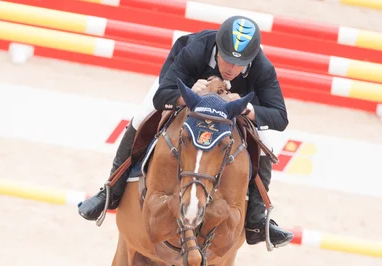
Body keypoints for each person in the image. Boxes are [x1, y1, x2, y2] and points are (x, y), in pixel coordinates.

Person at [78, 15, 293, 248]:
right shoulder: (195, 49)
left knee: (265, 143)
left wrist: (246, 107)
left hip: (233, 107)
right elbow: (163, 95)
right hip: (183, 88)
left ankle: (256, 220)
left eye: (239, 64)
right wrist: (189, 94)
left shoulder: (262, 67)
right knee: (141, 118)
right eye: (226, 60)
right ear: (217, 49)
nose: (231, 69)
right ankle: (110, 190)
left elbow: (280, 117)